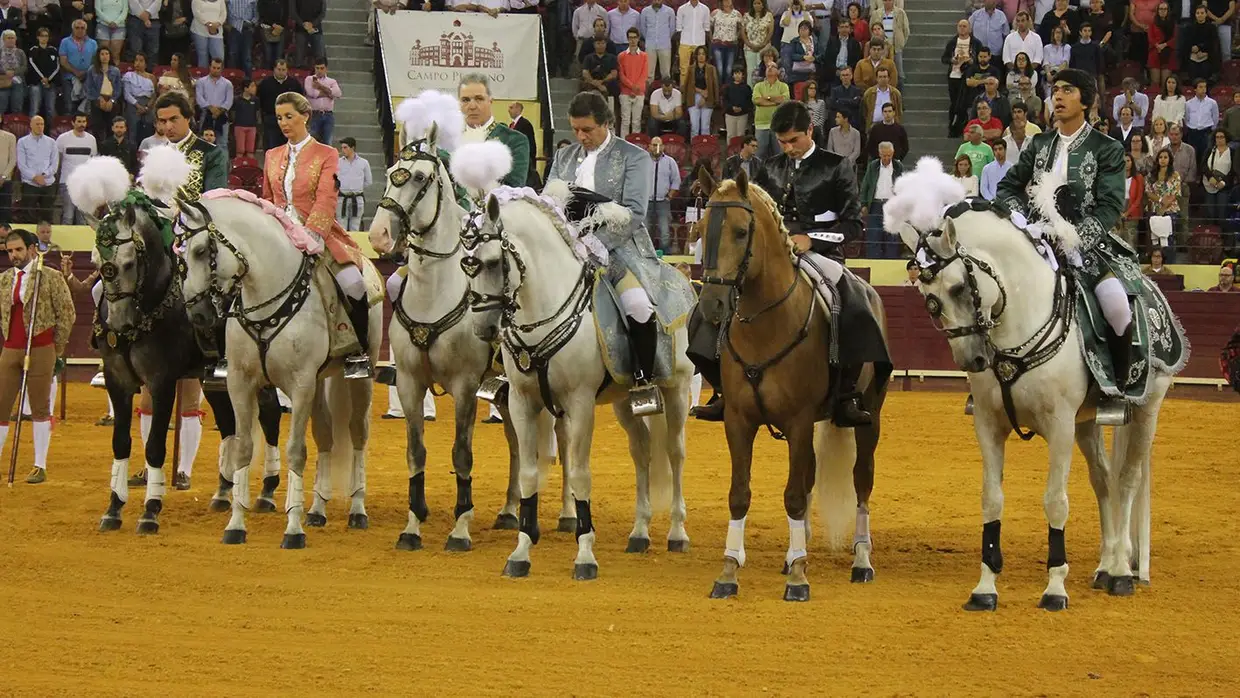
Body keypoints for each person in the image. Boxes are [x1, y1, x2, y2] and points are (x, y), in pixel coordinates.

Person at [702, 100, 889, 426]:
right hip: (773, 257)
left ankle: (847, 394)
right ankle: (722, 388)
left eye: (794, 140)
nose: (787, 148)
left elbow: (853, 225)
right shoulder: (768, 167)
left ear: (810, 132)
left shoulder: (836, 165)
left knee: (855, 305)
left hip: (822, 255)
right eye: (782, 141)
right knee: (715, 303)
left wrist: (813, 240)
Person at [995, 67, 1136, 419]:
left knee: (1117, 305)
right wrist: (1024, 226)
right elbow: (1007, 188)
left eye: (1067, 90)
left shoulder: (1108, 149)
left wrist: (1074, 240)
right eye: (1055, 90)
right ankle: (992, 384)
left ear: (1086, 101)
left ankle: (1117, 388)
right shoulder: (1039, 144)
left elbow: (1110, 206)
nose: (1057, 96)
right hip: (1035, 244)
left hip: (1085, 250)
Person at [546, 91, 678, 413]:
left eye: (587, 130)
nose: (580, 137)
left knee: (638, 306)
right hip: (564, 244)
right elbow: (548, 201)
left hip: (619, 247)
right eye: (575, 129)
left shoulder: (635, 157)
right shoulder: (565, 157)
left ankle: (643, 380)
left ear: (607, 123)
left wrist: (595, 243)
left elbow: (633, 213)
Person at [263, 91, 370, 378]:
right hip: (277, 234)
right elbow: (267, 198)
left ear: (306, 116)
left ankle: (358, 352)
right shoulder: (272, 156)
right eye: (279, 118)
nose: (284, 123)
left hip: (318, 234)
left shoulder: (327, 154)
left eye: (289, 116)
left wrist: (311, 234)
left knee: (354, 284)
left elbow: (326, 198)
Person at [0, 229, 75, 484]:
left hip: (41, 347)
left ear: (32, 249)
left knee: (40, 407)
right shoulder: (4, 280)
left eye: (18, 250)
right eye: (10, 251)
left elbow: (67, 313)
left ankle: (39, 465)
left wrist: (57, 347)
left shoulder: (50, 276)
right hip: (10, 348)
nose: (14, 255)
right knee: (1, 405)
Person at [458, 74, 530, 189]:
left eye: (479, 99)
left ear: (490, 101)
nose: (472, 106)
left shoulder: (515, 140)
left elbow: (514, 187)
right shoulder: (448, 141)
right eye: (465, 100)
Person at [337, 137, 372, 232]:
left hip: (357, 198)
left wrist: (357, 188)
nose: (343, 150)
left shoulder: (364, 163)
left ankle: (354, 246)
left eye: (345, 147)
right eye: (342, 148)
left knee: (355, 226)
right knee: (341, 227)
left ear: (352, 148)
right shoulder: (338, 163)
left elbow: (368, 181)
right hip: (342, 198)